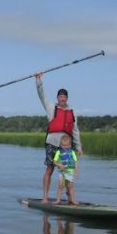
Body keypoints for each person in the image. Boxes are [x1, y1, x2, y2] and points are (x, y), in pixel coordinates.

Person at [36, 72, 82, 203]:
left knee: (69, 170)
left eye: (64, 97)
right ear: (57, 98)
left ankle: (70, 197)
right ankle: (45, 196)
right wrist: (39, 81)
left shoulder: (72, 112)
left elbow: (75, 130)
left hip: (67, 145)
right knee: (50, 168)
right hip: (52, 142)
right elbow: (41, 95)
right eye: (60, 96)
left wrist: (78, 147)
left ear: (67, 98)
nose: (62, 98)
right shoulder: (51, 107)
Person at [52, 133, 80, 205]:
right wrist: (59, 164)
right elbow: (54, 161)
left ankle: (72, 200)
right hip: (62, 172)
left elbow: (76, 161)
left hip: (70, 172)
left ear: (70, 145)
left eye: (67, 145)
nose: (65, 147)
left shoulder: (72, 152)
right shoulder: (58, 152)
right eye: (63, 145)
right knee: (60, 185)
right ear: (61, 145)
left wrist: (77, 171)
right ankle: (58, 200)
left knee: (70, 186)